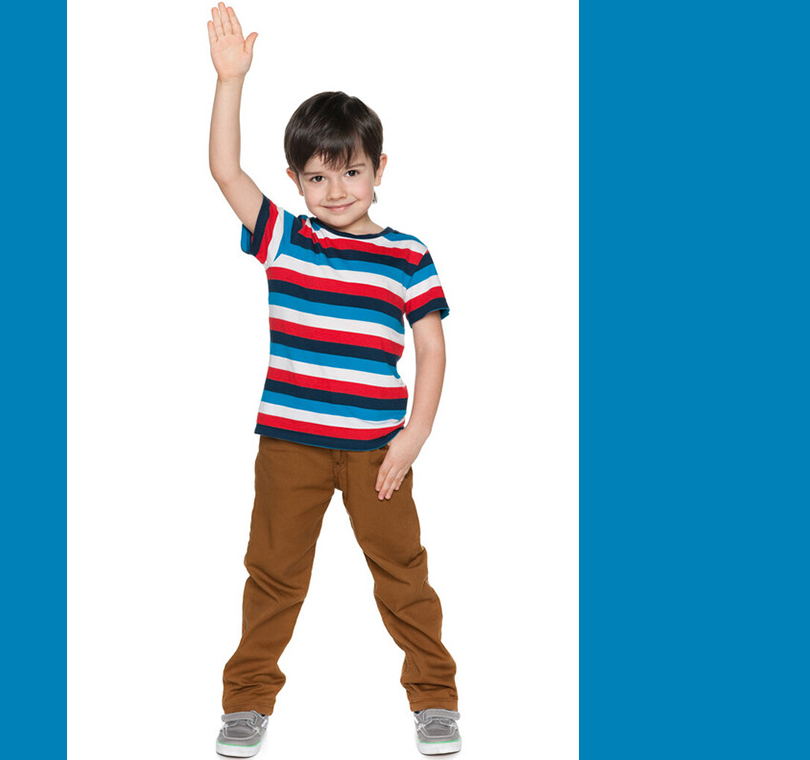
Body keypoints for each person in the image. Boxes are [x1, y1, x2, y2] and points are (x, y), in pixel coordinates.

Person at [207, 4, 461, 756]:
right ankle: (246, 701)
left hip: (379, 450)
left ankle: (435, 698)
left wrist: (414, 436)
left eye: (351, 170)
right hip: (290, 446)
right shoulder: (285, 238)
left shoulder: (407, 254)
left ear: (380, 168)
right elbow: (225, 170)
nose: (336, 188)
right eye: (316, 176)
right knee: (273, 575)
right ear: (296, 181)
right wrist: (230, 81)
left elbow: (432, 348)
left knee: (403, 573)